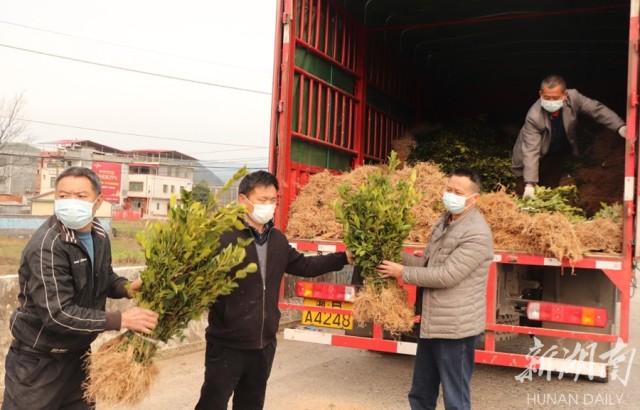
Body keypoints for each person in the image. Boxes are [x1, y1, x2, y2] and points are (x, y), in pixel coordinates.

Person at [2, 167, 158, 410]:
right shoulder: (48, 246)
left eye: (81, 196)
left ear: (97, 202)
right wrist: (122, 320)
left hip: (78, 356)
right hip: (40, 361)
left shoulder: (99, 235)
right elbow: (58, 314)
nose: (71, 202)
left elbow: (102, 277)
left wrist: (127, 288)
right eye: (63, 196)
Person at [195, 170, 352, 410]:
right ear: (243, 201)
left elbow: (306, 265)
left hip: (263, 345)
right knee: (212, 404)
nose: (269, 206)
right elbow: (195, 275)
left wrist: (344, 257)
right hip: (228, 344)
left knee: (251, 404)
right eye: (262, 200)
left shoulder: (277, 240)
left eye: (273, 200)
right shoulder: (222, 237)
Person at [377, 168, 493, 410]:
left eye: (458, 192)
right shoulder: (444, 222)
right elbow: (429, 265)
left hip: (455, 329)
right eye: (448, 190)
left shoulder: (477, 233)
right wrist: (393, 256)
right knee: (421, 392)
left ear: (474, 199)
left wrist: (402, 273)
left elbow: (447, 275)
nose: (451, 195)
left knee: (455, 398)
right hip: (432, 323)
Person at [511, 74, 626, 198]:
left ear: (565, 95)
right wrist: (530, 184)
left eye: (555, 98)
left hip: (556, 154)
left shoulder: (574, 97)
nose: (550, 102)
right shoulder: (534, 116)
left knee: (549, 192)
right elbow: (531, 151)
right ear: (540, 94)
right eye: (547, 98)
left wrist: (620, 127)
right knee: (525, 195)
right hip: (532, 157)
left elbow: (597, 110)